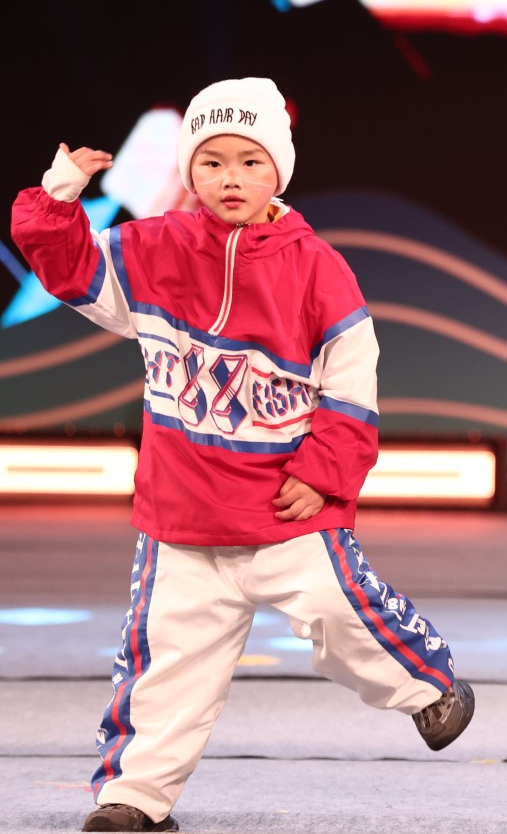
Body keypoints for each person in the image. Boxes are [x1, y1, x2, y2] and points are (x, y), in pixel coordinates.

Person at [11, 78, 474, 833]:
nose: (231, 178)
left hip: (285, 508)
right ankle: (136, 798)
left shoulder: (318, 269)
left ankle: (429, 687)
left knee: (340, 616)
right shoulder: (153, 248)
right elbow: (70, 270)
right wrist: (57, 197)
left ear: (278, 170)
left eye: (250, 162)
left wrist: (322, 475)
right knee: (167, 665)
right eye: (212, 162)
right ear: (189, 172)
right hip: (180, 519)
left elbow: (353, 385)